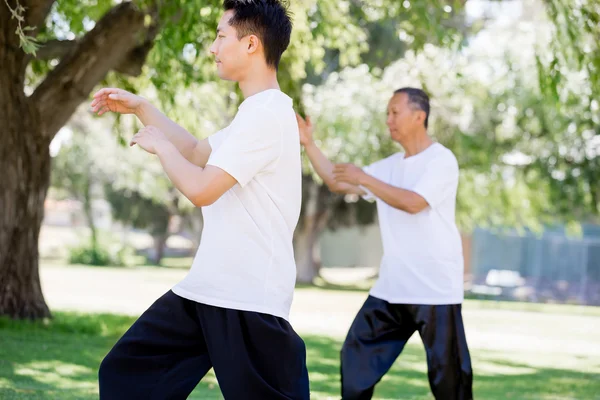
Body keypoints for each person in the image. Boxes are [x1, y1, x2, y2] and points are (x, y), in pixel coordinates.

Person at [91, 1, 309, 399]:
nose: (212, 47)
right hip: (207, 290)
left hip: (247, 298)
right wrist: (142, 108)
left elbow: (201, 188)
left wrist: (159, 147)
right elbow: (194, 151)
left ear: (251, 45)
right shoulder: (253, 114)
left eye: (221, 35)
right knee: (127, 374)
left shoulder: (267, 115)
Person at [296, 87, 473, 400]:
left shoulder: (441, 161)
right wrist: (309, 144)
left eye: (395, 112)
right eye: (387, 113)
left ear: (419, 116)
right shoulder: (389, 166)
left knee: (450, 383)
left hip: (435, 289)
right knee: (355, 358)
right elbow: (337, 181)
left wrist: (364, 178)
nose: (388, 119)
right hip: (393, 288)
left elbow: (414, 202)